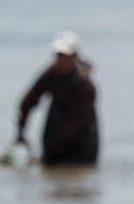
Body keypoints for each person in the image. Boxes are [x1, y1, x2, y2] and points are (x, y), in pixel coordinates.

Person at [15, 31, 99, 166]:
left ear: (74, 56)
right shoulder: (51, 74)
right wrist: (21, 130)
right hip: (55, 138)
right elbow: (29, 100)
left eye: (65, 56)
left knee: (80, 177)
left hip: (81, 143)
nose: (61, 60)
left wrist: (56, 144)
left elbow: (79, 119)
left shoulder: (85, 86)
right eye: (58, 55)